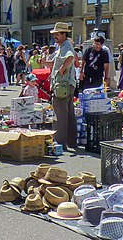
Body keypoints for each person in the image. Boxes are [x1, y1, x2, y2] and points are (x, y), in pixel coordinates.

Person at [50, 22, 77, 152]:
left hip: (63, 85)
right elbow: (54, 63)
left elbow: (70, 57)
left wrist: (62, 69)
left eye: (57, 34)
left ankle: (60, 142)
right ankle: (72, 141)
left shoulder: (66, 46)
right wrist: (44, 62)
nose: (55, 36)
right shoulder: (62, 46)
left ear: (63, 34)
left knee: (60, 114)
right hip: (66, 84)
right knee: (69, 113)